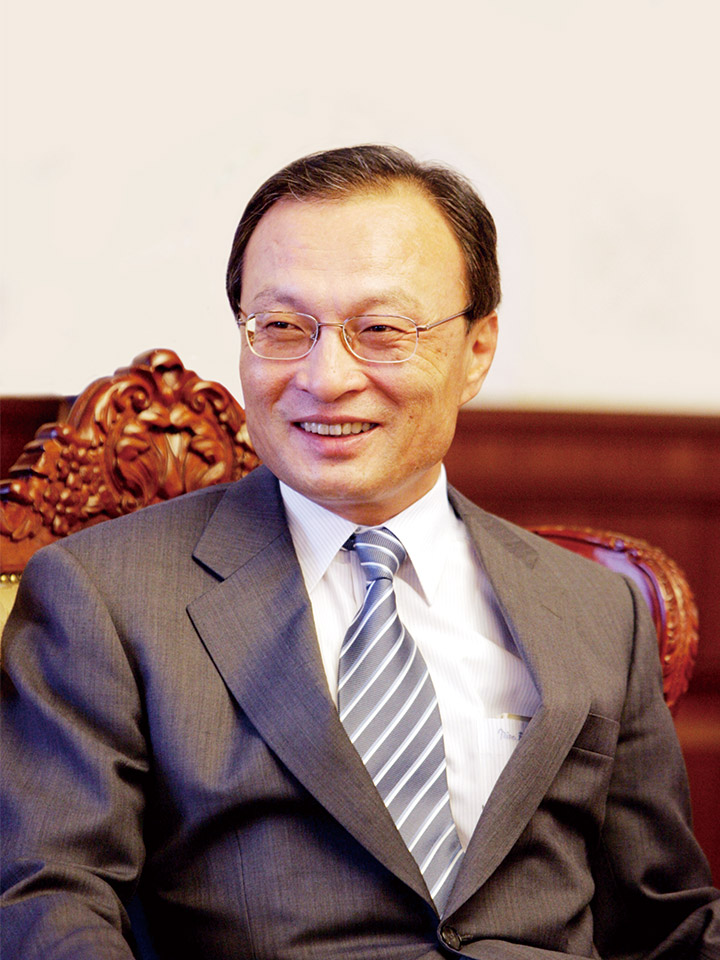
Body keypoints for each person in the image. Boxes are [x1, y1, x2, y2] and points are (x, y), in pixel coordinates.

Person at [1, 145, 718, 960]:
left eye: (380, 330)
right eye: (283, 328)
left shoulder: (595, 608)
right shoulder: (106, 596)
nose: (326, 376)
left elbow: (668, 923)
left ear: (477, 350)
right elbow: (47, 903)